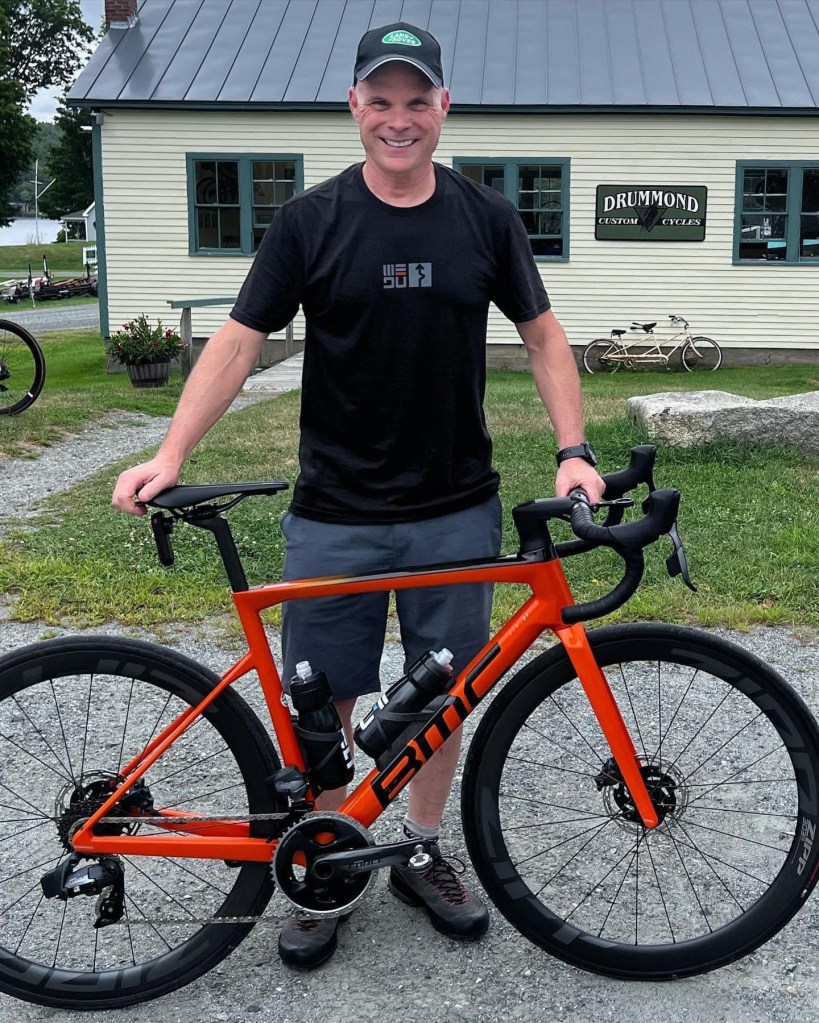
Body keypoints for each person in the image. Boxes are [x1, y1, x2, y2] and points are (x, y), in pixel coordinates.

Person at [112, 21, 605, 969]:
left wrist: (573, 448)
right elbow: (239, 338)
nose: (398, 119)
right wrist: (171, 449)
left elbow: (543, 336)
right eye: (379, 101)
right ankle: (331, 861)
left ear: (443, 109)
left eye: (416, 101)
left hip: (454, 505)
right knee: (323, 702)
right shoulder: (311, 221)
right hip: (333, 511)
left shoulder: (484, 219)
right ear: (354, 109)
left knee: (443, 698)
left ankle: (418, 849)